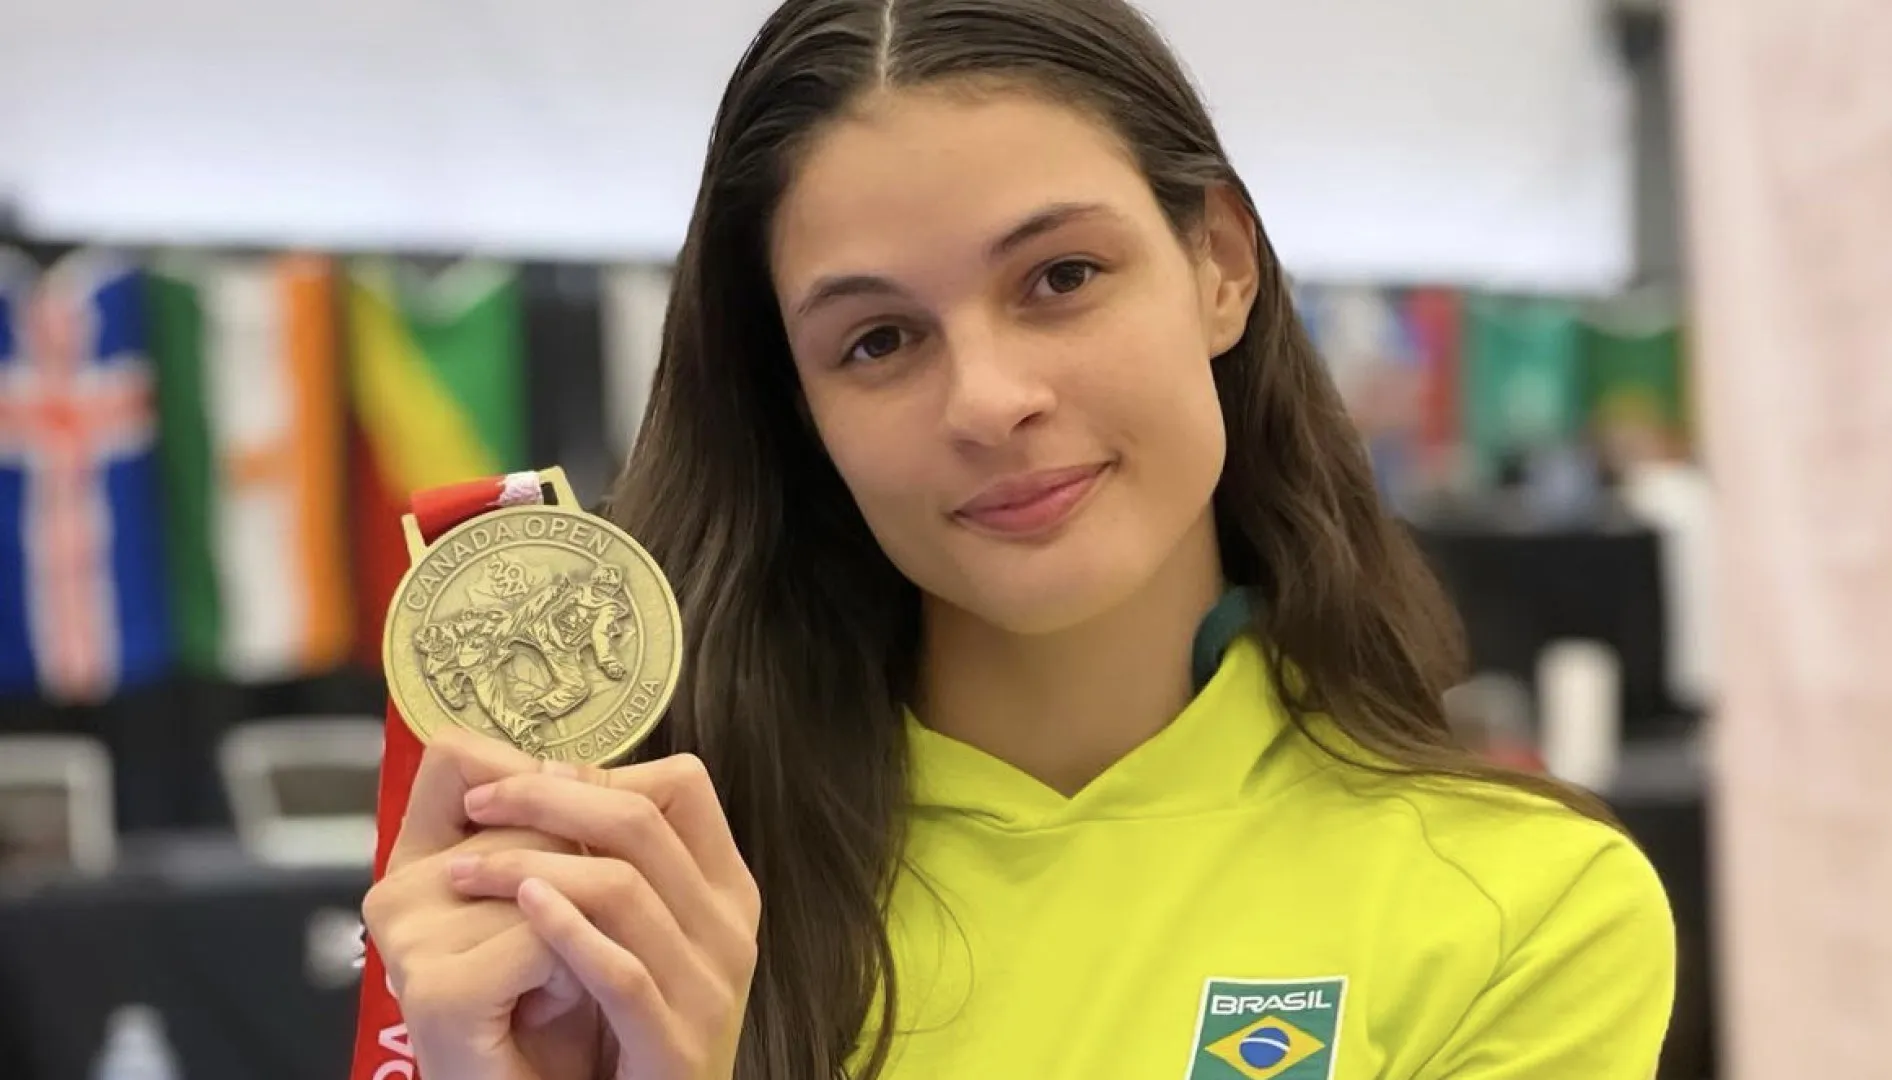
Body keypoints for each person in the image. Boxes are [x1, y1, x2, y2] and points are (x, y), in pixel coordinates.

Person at [359, 0, 1677, 1077]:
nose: (988, 401)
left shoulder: (1520, 908)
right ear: (799, 408)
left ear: (1220, 262)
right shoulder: (629, 900)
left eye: (1061, 277)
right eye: (878, 340)